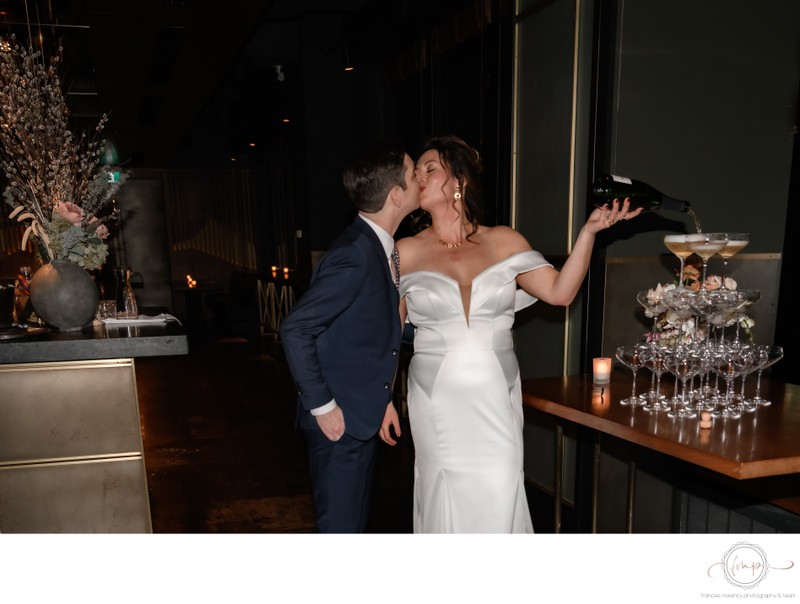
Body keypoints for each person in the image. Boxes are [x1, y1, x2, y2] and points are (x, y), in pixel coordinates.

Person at [379, 134, 640, 533]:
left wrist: (588, 234)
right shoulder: (405, 251)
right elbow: (388, 335)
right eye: (417, 173)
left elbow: (560, 292)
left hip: (495, 397)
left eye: (431, 169)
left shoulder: (504, 241)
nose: (420, 178)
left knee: (501, 487)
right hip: (437, 401)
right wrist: (383, 398)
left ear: (459, 181)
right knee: (441, 493)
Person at [280, 140, 419, 533]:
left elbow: (366, 333)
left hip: (359, 413)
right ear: (396, 195)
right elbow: (296, 328)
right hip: (338, 423)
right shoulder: (357, 253)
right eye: (413, 175)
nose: (419, 182)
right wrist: (323, 407)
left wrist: (381, 401)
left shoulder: (376, 247)